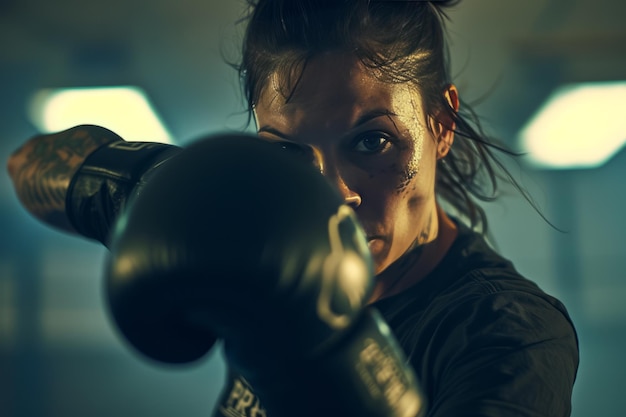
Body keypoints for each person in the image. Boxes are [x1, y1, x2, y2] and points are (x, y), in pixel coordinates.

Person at [6, 1, 579, 416]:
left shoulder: (509, 338)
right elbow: (28, 165)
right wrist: (160, 188)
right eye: (286, 152)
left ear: (442, 123)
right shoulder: (259, 231)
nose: (332, 193)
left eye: (372, 141)